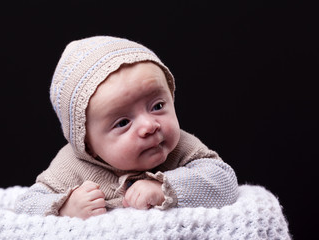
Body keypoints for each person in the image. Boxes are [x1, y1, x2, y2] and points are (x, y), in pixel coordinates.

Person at [15, 36, 239, 220]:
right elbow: (26, 205)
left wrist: (163, 188)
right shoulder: (71, 166)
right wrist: (65, 207)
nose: (150, 126)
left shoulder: (180, 146)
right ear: (87, 144)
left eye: (157, 106)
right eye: (123, 122)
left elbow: (224, 180)